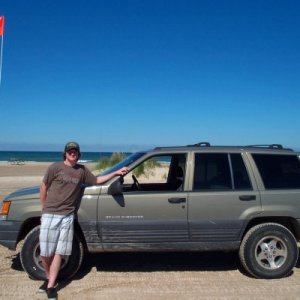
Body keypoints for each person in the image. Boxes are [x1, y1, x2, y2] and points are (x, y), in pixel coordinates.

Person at [38, 141, 128, 300]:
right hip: (50, 214)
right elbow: (44, 186)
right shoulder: (55, 167)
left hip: (67, 216)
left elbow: (97, 180)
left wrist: (116, 173)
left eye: (75, 151)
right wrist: (44, 207)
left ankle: (51, 286)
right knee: (45, 253)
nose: (72, 153)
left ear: (79, 154)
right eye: (70, 151)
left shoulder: (82, 171)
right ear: (65, 153)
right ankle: (47, 278)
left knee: (59, 252)